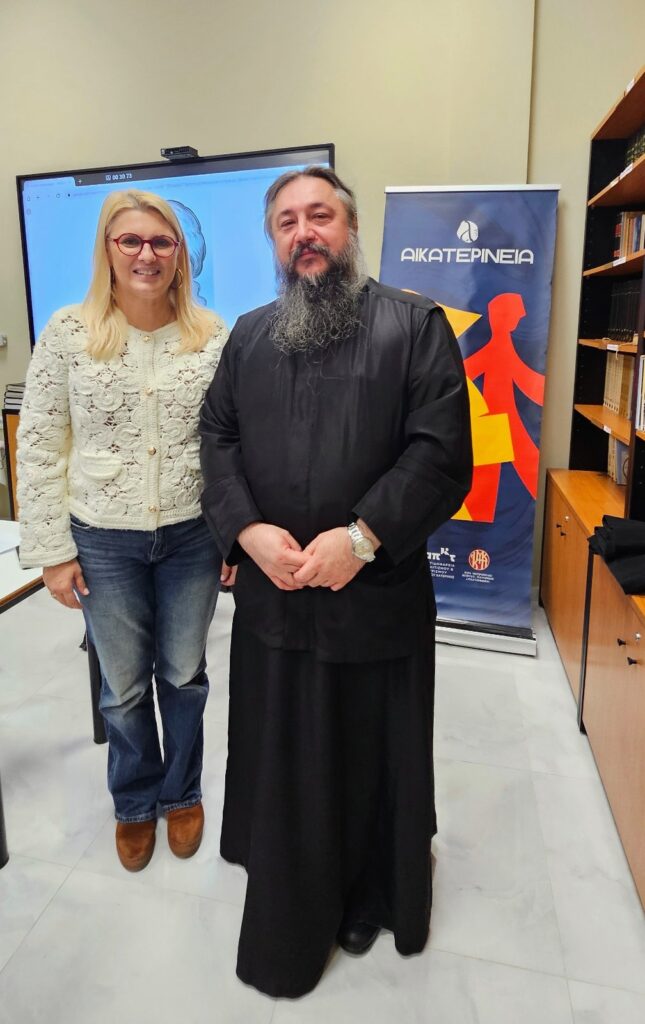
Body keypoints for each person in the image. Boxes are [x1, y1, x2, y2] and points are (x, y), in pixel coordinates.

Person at [199, 166, 473, 998]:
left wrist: (361, 538)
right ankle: (286, 872)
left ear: (350, 229)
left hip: (373, 596)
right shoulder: (249, 334)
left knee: (365, 751)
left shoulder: (414, 325)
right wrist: (246, 530)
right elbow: (216, 438)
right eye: (286, 221)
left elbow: (440, 453)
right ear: (273, 239)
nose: (303, 233)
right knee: (284, 742)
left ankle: (366, 892)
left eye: (319, 215)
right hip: (274, 595)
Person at [17, 189, 231, 872]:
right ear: (107, 252)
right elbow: (39, 445)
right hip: (103, 541)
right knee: (124, 686)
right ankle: (135, 801)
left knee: (185, 675)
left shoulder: (213, 336)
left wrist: (235, 533)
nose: (147, 254)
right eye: (130, 240)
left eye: (161, 242)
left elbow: (232, 444)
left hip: (193, 537)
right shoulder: (68, 333)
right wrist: (52, 552)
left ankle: (182, 792)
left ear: (180, 255)